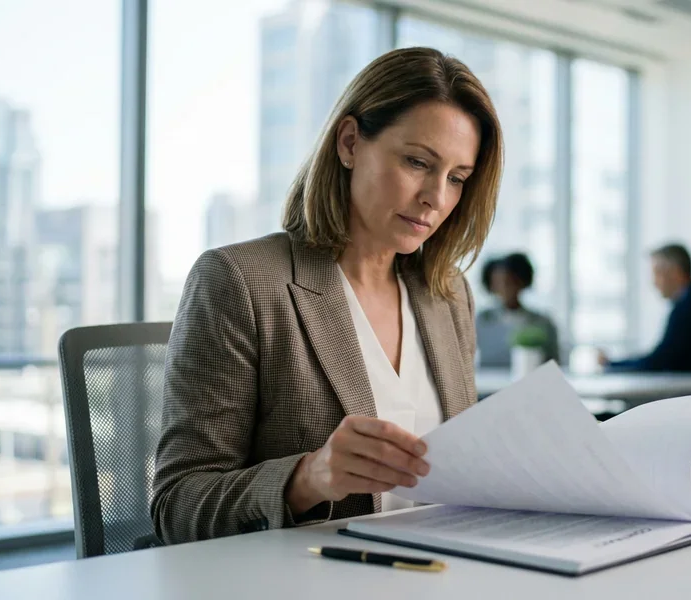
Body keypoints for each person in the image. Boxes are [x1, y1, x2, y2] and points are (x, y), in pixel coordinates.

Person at [150, 47, 503, 544]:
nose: (437, 198)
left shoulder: (447, 295)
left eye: (457, 179)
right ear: (350, 142)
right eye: (418, 162)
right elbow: (176, 506)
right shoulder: (240, 282)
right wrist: (307, 478)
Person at [603, 244, 691, 374]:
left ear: (676, 273)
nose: (654, 283)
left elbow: (658, 362)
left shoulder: (688, 309)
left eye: (657, 273)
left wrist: (611, 365)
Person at [474, 253, 559, 368]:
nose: (504, 288)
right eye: (498, 283)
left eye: (510, 282)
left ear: (523, 281)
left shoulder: (543, 322)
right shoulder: (481, 320)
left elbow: (555, 363)